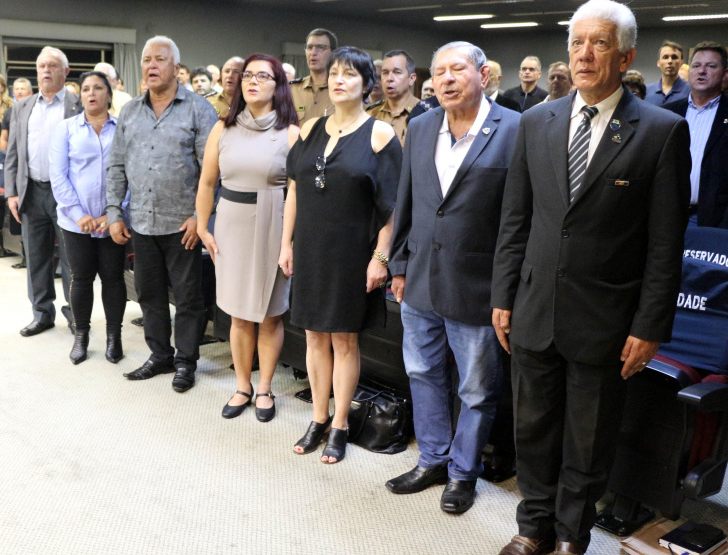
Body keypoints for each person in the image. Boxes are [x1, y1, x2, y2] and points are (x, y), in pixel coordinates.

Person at [491, 1, 690, 553]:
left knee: (588, 440)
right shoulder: (537, 122)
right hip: (533, 308)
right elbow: (516, 220)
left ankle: (571, 537)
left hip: (607, 319)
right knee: (531, 432)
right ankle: (532, 529)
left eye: (599, 44)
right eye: (577, 42)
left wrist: (650, 326)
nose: (583, 54)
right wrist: (502, 295)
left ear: (625, 56)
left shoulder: (660, 132)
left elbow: (665, 244)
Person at [385, 41, 520, 515]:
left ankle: (464, 473)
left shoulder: (515, 129)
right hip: (420, 276)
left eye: (457, 69)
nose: (446, 78)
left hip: (478, 285)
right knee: (421, 372)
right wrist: (397, 264)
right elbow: (408, 201)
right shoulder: (420, 127)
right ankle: (433, 460)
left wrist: (507, 291)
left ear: (482, 75)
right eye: (439, 71)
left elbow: (518, 221)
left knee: (476, 389)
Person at [280, 46, 401, 464]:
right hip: (312, 249)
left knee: (345, 342)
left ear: (367, 85)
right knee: (313, 335)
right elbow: (294, 189)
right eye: (334, 73)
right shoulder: (310, 127)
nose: (338, 80)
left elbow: (392, 206)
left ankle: (341, 425)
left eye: (349, 74)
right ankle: (318, 416)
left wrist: (380, 258)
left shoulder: (380, 134)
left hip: (352, 254)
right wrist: (285, 244)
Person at [106, 36, 218, 392]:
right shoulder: (129, 111)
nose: (151, 66)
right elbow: (117, 166)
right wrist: (114, 212)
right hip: (141, 219)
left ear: (175, 67)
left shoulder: (199, 109)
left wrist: (200, 217)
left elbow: (213, 171)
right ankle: (159, 355)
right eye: (146, 60)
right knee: (149, 293)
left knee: (188, 297)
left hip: (183, 222)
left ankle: (186, 361)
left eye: (159, 59)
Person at [195, 54, 300, 421]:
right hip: (232, 225)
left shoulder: (290, 132)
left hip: (274, 221)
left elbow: (297, 192)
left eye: (262, 76)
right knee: (240, 314)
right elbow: (207, 182)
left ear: (277, 85)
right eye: (247, 75)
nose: (252, 81)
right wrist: (203, 226)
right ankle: (242, 385)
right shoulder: (222, 128)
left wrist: (288, 243)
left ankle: (266, 387)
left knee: (270, 314)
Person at [50, 71, 127, 365]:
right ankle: (81, 336)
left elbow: (129, 174)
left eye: (98, 88)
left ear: (109, 93)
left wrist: (115, 212)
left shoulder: (122, 129)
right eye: (85, 89)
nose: (91, 93)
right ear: (80, 95)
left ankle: (113, 337)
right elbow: (58, 176)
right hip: (75, 221)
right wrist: (78, 213)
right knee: (81, 279)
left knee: (113, 279)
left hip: (113, 221)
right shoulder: (66, 129)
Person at [5, 46, 82, 338]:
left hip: (67, 197)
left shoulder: (79, 104)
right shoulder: (23, 106)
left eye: (52, 65)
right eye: (41, 66)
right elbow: (13, 152)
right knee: (36, 257)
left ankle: (76, 314)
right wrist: (12, 192)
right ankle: (41, 314)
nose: (46, 71)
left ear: (66, 71)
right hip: (31, 193)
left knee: (72, 259)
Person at [662, 42, 728, 229]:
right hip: (668, 217)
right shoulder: (667, 114)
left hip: (715, 220)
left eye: (711, 66)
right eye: (697, 66)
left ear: (724, 74)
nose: (702, 71)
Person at [367, 50, 419, 147]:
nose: (389, 78)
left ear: (411, 79)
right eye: (385, 73)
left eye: (397, 72)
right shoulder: (370, 114)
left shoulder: (425, 114)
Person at [290, 28, 337, 124]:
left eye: (320, 47)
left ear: (333, 53)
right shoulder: (292, 89)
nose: (313, 52)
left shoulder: (341, 89)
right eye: (309, 47)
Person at [646, 40, 690, 106]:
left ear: (681, 63)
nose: (670, 61)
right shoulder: (647, 91)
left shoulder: (691, 91)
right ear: (658, 63)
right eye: (665, 57)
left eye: (674, 57)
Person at [1, 78, 33, 151]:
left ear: (30, 92)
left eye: (22, 89)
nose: (19, 92)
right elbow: (4, 138)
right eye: (17, 89)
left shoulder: (36, 110)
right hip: (13, 152)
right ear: (13, 93)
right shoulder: (8, 111)